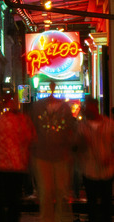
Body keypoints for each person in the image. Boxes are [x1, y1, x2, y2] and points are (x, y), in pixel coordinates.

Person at [0, 95, 35, 222]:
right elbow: (30, 140)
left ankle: (0, 217)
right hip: (16, 166)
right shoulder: (22, 120)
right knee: (14, 199)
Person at [30, 81, 77, 222]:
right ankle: (55, 218)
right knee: (54, 191)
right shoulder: (62, 108)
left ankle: (51, 218)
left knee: (51, 192)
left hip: (50, 154)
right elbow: (71, 130)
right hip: (50, 154)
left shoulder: (40, 107)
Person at [77, 96, 114, 222]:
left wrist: (110, 158)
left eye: (88, 107)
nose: (86, 110)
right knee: (91, 203)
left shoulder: (109, 124)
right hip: (89, 169)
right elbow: (77, 148)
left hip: (106, 169)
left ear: (95, 107)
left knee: (106, 203)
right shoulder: (82, 127)